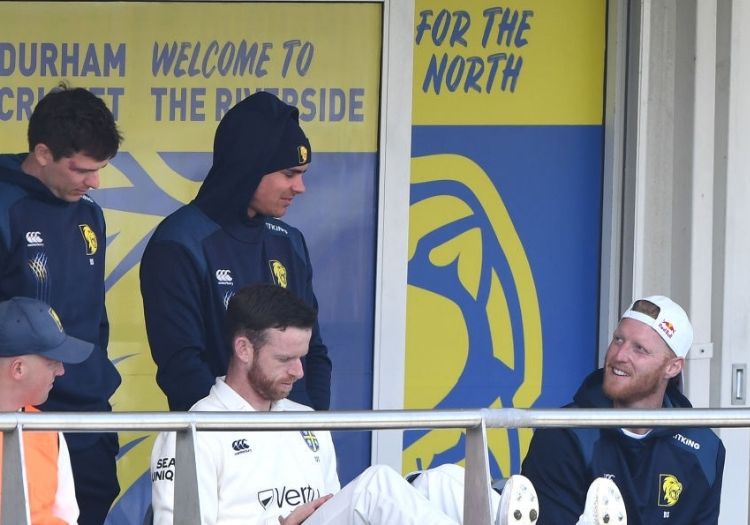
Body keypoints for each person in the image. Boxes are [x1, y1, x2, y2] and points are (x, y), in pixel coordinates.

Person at [151, 284, 544, 525]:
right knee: (375, 486)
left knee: (442, 481)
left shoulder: (304, 421)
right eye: (285, 360)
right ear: (243, 350)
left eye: (302, 358)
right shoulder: (193, 430)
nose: (299, 373)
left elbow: (334, 507)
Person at [140, 91, 331, 413]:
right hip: (218, 441)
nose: (300, 188)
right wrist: (238, 434)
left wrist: (311, 425)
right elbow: (182, 365)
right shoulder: (179, 243)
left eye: (302, 174)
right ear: (249, 167)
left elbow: (313, 350)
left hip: (290, 438)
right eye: (289, 174)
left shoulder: (289, 241)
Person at [0, 85, 123, 524]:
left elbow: (94, 316)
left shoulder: (90, 213)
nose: (94, 182)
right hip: (20, 419)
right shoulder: (5, 206)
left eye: (101, 169)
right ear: (43, 152)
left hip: (88, 419)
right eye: (83, 170)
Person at [522, 295, 725, 524]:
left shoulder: (705, 449)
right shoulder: (563, 434)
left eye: (639, 349)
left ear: (672, 367)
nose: (619, 356)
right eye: (618, 340)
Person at [0, 297, 97, 524]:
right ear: (19, 368)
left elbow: (67, 517)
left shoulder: (47, 430)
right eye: (53, 361)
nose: (62, 371)